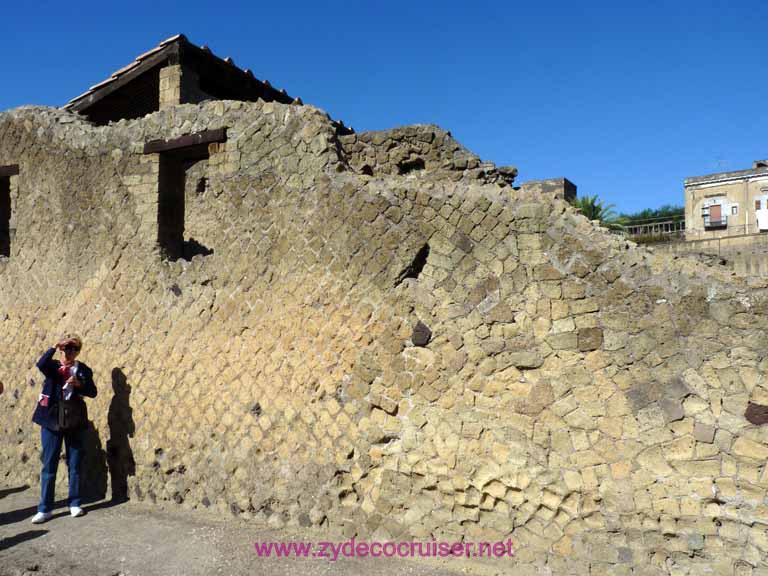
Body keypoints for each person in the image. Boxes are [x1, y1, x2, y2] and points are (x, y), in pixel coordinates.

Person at [30, 335, 97, 523]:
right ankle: (45, 509)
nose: (69, 352)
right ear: (61, 349)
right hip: (51, 420)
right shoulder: (52, 367)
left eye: (74, 348)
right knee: (49, 464)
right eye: (66, 348)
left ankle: (74, 503)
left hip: (74, 420)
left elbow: (92, 392)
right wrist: (54, 345)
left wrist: (80, 385)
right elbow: (41, 364)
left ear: (78, 351)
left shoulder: (83, 370)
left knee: (74, 464)